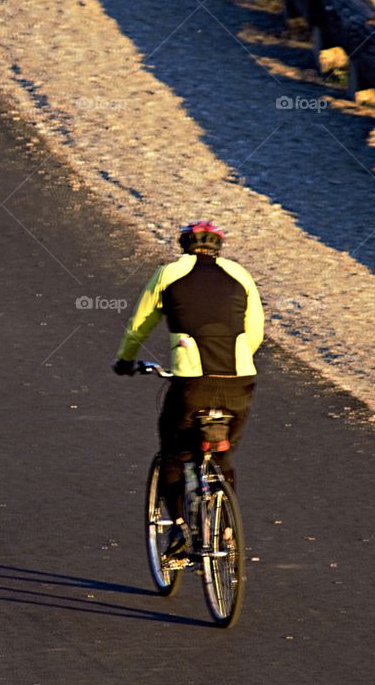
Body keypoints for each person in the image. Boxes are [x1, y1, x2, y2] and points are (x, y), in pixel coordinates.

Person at [112, 220, 264, 559]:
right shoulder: (240, 275)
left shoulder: (168, 274)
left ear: (184, 244)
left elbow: (140, 324)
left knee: (174, 454)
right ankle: (227, 530)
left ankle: (180, 529)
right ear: (217, 247)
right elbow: (255, 333)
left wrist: (125, 360)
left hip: (192, 385)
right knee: (222, 455)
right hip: (239, 382)